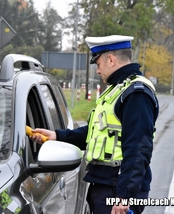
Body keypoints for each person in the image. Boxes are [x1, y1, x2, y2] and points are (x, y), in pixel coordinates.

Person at [30, 35, 159, 214]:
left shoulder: (136, 94)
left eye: (98, 65)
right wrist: (57, 136)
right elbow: (94, 133)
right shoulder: (117, 90)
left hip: (116, 188)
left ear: (111, 60)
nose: (98, 71)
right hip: (105, 184)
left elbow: (138, 149)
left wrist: (123, 196)